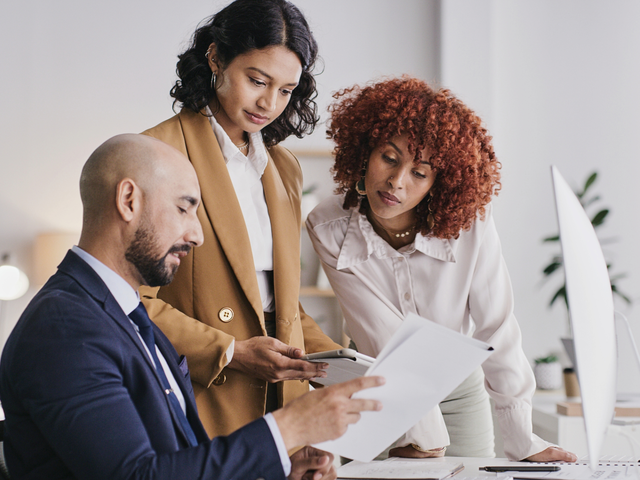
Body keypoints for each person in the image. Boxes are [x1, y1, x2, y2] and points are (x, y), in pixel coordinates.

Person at [0, 134, 384, 480]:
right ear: (128, 200)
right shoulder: (65, 328)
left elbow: (178, 462)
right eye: (185, 209)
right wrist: (289, 429)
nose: (196, 234)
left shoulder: (125, 314)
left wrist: (281, 467)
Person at [306, 77, 577, 462]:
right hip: (377, 387)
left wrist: (522, 439)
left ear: (439, 182)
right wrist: (421, 437)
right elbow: (378, 332)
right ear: (366, 150)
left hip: (460, 390)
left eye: (419, 172)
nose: (396, 182)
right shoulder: (327, 225)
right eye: (389, 157)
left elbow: (496, 327)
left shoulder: (471, 224)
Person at [140, 0, 342, 438]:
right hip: (201, 392)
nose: (269, 103)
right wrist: (230, 351)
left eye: (286, 90)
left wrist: (346, 364)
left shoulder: (284, 168)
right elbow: (130, 301)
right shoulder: (157, 154)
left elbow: (279, 305)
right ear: (215, 57)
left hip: (280, 399)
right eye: (257, 80)